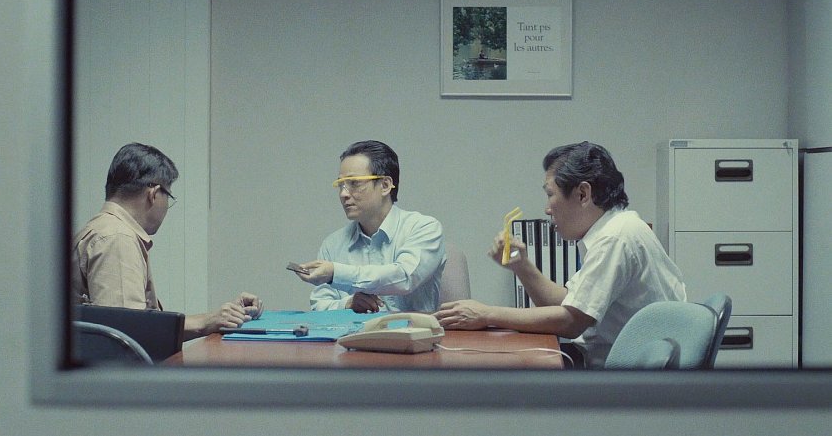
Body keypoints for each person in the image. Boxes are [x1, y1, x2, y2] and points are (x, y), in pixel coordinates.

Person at [434, 141, 687, 368]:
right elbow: (568, 303)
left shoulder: (615, 237)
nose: (547, 209)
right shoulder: (616, 228)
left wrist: (486, 314)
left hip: (626, 381)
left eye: (550, 195)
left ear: (583, 194)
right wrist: (521, 266)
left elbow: (571, 321)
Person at [71, 142, 263, 341]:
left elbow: (135, 326)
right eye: (168, 196)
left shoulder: (105, 230)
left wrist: (218, 318)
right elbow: (127, 334)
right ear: (154, 194)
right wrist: (206, 321)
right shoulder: (117, 238)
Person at [293, 140, 445, 313]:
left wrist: (335, 273)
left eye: (354, 183)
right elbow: (320, 305)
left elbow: (404, 277)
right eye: (341, 185)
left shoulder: (424, 228)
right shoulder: (333, 244)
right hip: (349, 331)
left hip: (412, 330)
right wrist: (347, 304)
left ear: (385, 185)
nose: (343, 194)